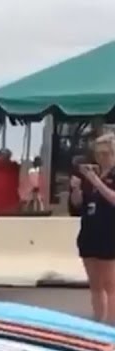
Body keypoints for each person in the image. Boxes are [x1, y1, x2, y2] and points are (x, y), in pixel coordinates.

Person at [70, 133, 115, 323]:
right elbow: (78, 205)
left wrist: (97, 181)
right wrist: (76, 189)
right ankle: (98, 319)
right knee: (95, 285)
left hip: (109, 233)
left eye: (106, 153)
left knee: (110, 284)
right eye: (98, 154)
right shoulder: (90, 175)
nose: (101, 158)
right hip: (89, 232)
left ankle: (111, 324)